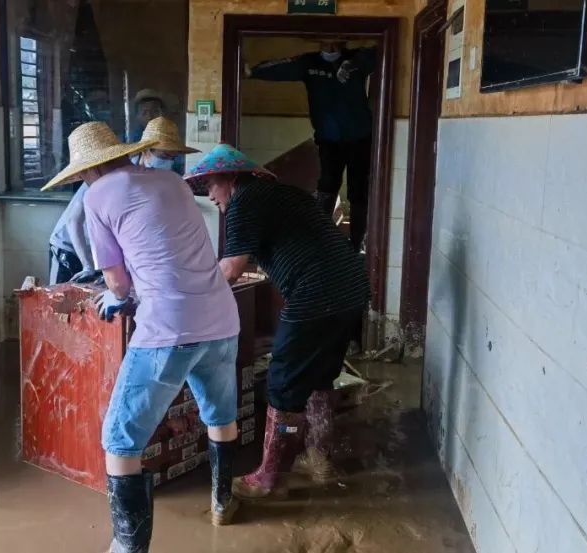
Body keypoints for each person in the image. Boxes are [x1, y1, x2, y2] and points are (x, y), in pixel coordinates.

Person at [41, 123, 242, 552]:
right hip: (222, 319)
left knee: (119, 440)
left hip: (168, 329)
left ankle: (128, 548)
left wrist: (124, 297)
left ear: (84, 172)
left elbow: (114, 281)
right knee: (221, 417)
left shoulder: (97, 196)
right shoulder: (172, 181)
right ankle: (223, 503)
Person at [185, 144, 371, 502]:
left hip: (316, 295)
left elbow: (231, 268)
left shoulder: (244, 202)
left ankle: (270, 477)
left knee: (282, 381)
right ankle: (320, 459)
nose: (210, 195)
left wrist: (187, 297)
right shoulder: (284, 194)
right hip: (351, 289)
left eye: (211, 185)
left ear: (230, 179)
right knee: (320, 375)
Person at [246, 39, 376, 251]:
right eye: (326, 41)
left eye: (336, 42)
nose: (331, 46)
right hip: (328, 139)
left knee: (359, 192)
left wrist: (351, 64)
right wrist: (252, 72)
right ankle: (320, 242)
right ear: (319, 41)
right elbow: (282, 68)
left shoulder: (356, 60)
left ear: (343, 42)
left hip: (360, 138)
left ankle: (355, 245)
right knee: (327, 186)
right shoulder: (310, 63)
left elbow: (380, 53)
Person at [47, 182, 98, 285]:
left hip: (93, 251)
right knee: (58, 295)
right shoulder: (93, 179)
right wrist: (87, 265)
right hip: (66, 247)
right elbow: (73, 221)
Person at [134, 116, 199, 174]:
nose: (169, 163)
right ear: (145, 150)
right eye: (164, 156)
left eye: (173, 158)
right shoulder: (128, 172)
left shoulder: (171, 174)